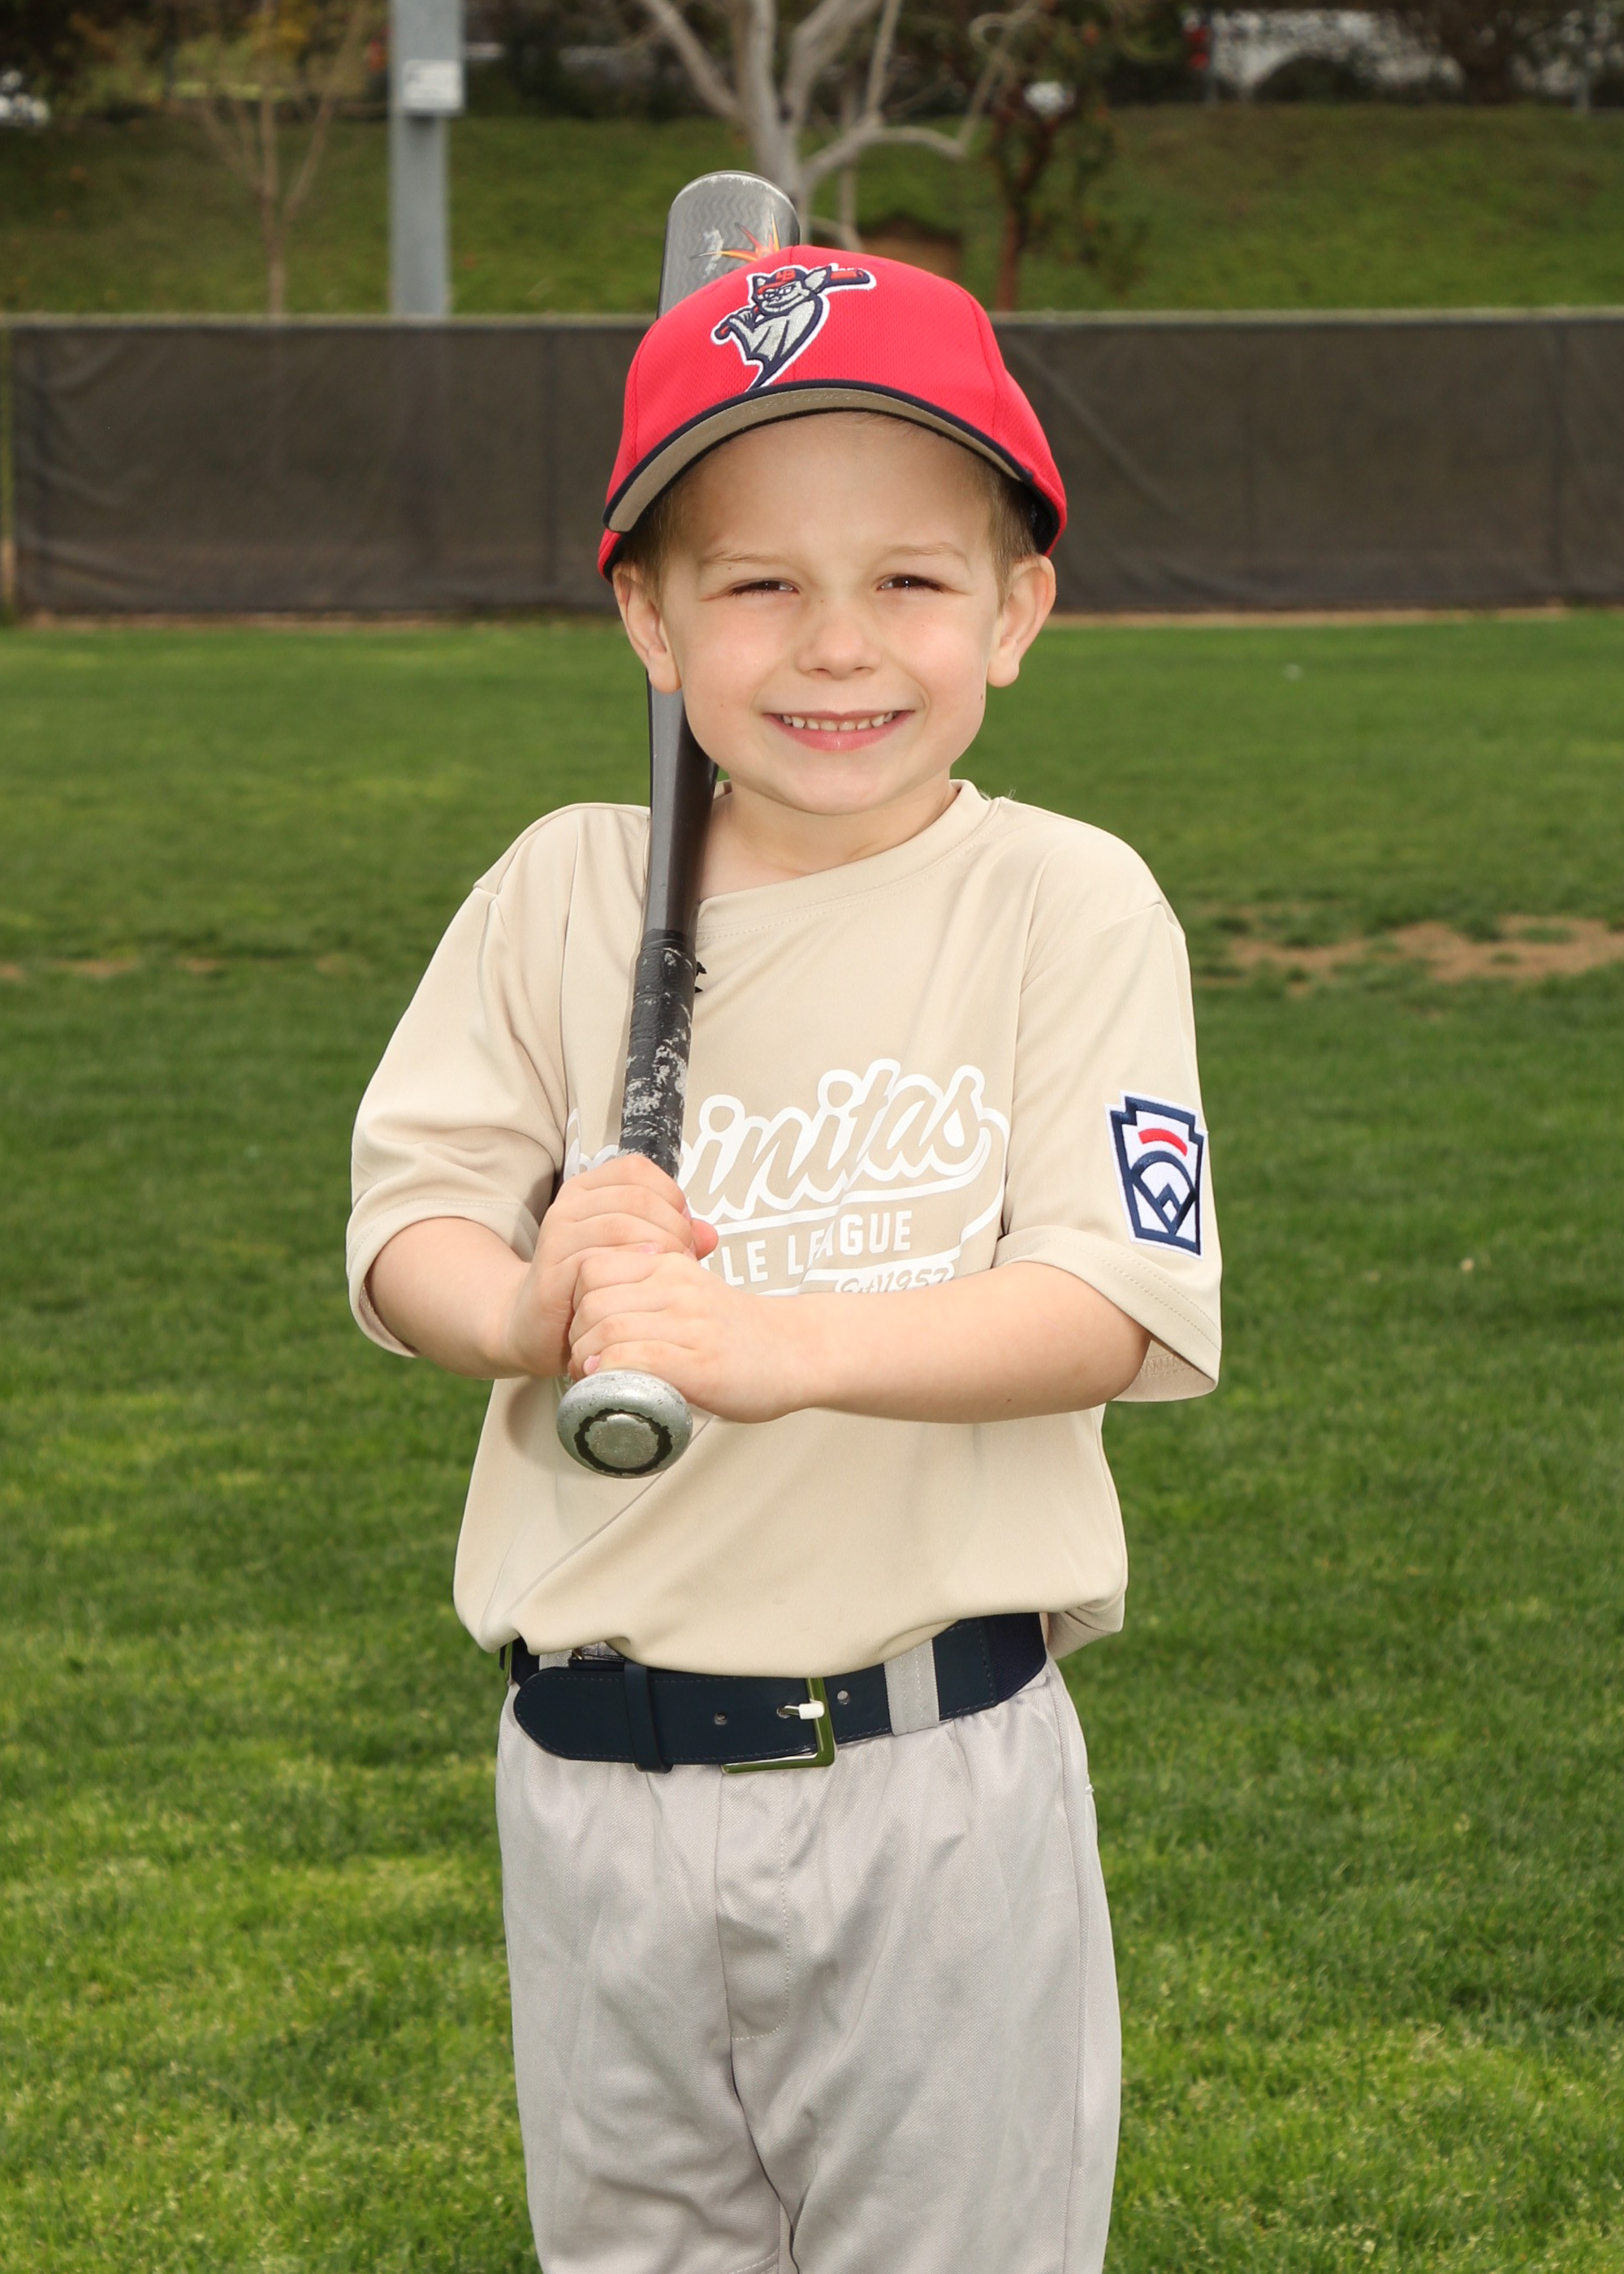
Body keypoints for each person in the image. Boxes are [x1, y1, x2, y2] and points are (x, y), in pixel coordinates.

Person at [347, 249, 1221, 2274]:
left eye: (909, 578)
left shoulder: (1061, 901)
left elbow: (1111, 1303)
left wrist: (783, 1344)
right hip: (592, 1781)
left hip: (927, 1776)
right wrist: (525, 1303)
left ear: (1016, 609)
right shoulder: (563, 888)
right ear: (649, 620)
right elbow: (406, 1232)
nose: (837, 642)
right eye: (756, 583)